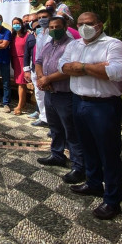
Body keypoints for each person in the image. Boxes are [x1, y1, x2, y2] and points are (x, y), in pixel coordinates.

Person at [58, 12, 122, 220]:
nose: (83, 27)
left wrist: (79, 67)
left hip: (104, 105)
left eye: (88, 24)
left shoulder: (113, 44)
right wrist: (96, 68)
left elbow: (117, 72)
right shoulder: (74, 45)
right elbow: (62, 66)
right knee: (87, 147)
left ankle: (112, 199)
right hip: (79, 101)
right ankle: (94, 183)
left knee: (109, 153)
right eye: (79, 24)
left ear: (99, 25)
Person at [34, 16, 85, 185]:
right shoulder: (49, 44)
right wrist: (42, 78)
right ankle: (57, 155)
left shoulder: (72, 45)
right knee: (55, 127)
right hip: (50, 94)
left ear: (66, 27)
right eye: (51, 27)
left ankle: (78, 166)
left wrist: (48, 79)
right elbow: (39, 61)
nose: (54, 29)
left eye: (57, 26)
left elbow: (69, 69)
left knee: (71, 131)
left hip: (65, 94)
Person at [29, 9, 52, 127]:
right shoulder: (39, 34)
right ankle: (43, 117)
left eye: (45, 17)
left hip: (50, 72)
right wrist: (38, 72)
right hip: (37, 69)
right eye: (39, 18)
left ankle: (53, 122)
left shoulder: (55, 33)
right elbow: (37, 55)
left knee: (50, 98)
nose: (42, 20)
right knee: (39, 94)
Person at [10, 17, 29, 115]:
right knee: (20, 83)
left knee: (21, 83)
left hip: (23, 61)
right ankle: (24, 103)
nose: (16, 25)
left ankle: (19, 106)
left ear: (22, 24)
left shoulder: (27, 35)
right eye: (14, 23)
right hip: (15, 60)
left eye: (18, 23)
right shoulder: (13, 36)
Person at [23, 15, 39, 118]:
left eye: (34, 20)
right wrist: (27, 70)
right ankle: (39, 112)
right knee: (38, 94)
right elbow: (27, 54)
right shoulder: (31, 36)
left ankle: (48, 118)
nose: (32, 22)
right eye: (30, 21)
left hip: (47, 71)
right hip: (34, 69)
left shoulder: (49, 35)